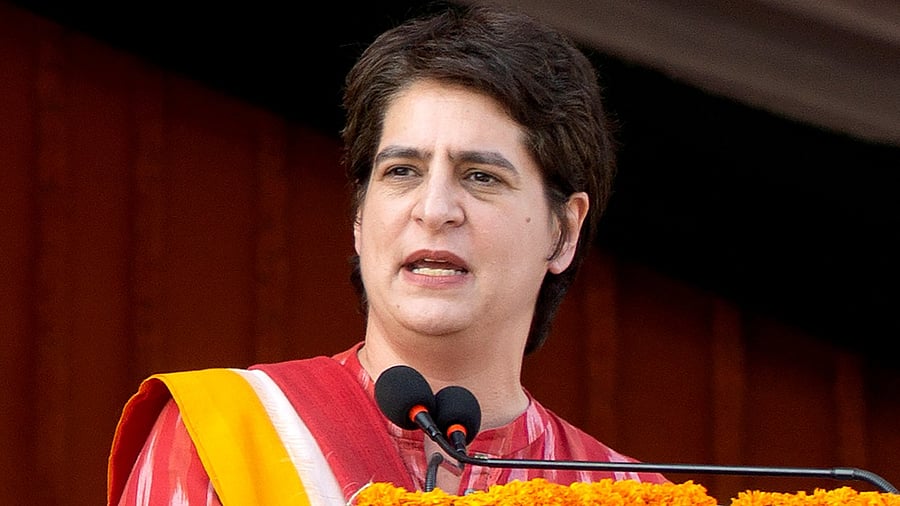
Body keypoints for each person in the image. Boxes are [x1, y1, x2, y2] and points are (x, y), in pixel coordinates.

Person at [106, 3, 669, 505]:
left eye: (481, 176)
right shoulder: (229, 433)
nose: (435, 209)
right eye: (403, 172)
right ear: (358, 218)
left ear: (563, 232)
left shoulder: (630, 497)